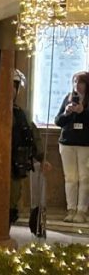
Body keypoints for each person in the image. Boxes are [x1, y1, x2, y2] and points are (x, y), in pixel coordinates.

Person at [10, 69, 48, 232]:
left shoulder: (21, 114)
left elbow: (32, 136)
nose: (11, 90)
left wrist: (42, 158)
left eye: (14, 87)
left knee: (12, 200)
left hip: (15, 165)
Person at [54, 71, 89, 224]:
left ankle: (82, 211)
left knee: (84, 178)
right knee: (70, 178)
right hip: (67, 143)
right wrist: (67, 113)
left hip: (85, 145)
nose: (77, 85)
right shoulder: (68, 98)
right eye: (74, 82)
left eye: (80, 82)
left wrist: (83, 112)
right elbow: (58, 121)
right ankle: (71, 209)